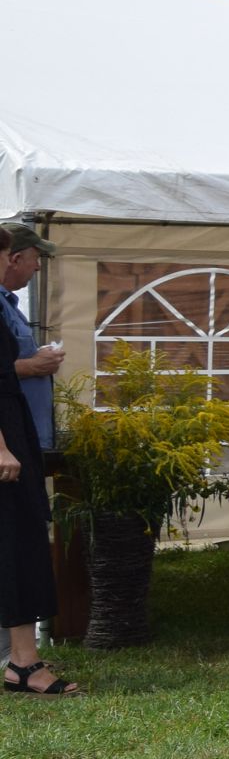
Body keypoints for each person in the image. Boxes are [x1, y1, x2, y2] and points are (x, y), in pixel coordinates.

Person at [0, 247, 74, 695]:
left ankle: (22, 662)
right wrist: (2, 446)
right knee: (22, 541)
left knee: (20, 540)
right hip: (7, 438)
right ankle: (24, 664)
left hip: (15, 431)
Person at [2, 224, 59, 466]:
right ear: (14, 259)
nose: (38, 266)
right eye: (36, 258)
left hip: (22, 432)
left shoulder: (9, 304)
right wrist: (34, 366)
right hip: (9, 437)